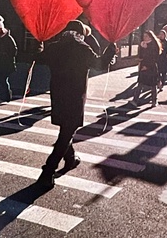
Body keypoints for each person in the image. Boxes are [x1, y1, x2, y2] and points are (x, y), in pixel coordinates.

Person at [36, 19, 116, 189]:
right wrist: (112, 47)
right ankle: (48, 171)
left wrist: (40, 45)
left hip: (57, 96)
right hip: (75, 97)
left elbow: (39, 58)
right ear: (80, 33)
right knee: (67, 132)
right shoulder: (82, 48)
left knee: (66, 129)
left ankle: (70, 159)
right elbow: (100, 64)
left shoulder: (55, 47)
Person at [0, 15, 17, 106]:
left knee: (3, 80)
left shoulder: (8, 38)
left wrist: (6, 55)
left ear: (1, 29)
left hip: (5, 64)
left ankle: (7, 95)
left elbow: (14, 50)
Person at [131, 30, 162, 108]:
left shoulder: (153, 45)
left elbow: (154, 57)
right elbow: (141, 56)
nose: (144, 38)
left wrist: (147, 66)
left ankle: (154, 101)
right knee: (140, 83)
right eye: (144, 36)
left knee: (153, 84)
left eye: (146, 36)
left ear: (150, 37)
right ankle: (135, 100)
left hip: (151, 67)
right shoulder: (143, 44)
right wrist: (142, 48)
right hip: (143, 66)